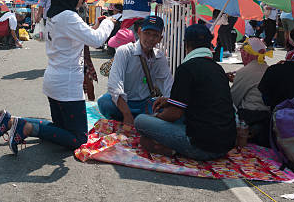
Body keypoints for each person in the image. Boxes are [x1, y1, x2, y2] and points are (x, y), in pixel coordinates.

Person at [0, 0, 114, 154]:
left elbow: (79, 35)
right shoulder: (68, 16)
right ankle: (26, 128)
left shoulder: (55, 15)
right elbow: (96, 40)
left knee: (60, 129)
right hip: (67, 85)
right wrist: (108, 23)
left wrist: (95, 25)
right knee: (78, 138)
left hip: (55, 82)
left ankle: (9, 122)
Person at [134, 24, 236, 160]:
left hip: (201, 146)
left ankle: (171, 148)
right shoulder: (218, 69)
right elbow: (201, 99)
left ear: (186, 44)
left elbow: (174, 114)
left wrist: (155, 120)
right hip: (225, 145)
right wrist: (169, 101)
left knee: (141, 121)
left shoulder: (187, 69)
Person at [97, 15, 173, 124]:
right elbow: (114, 85)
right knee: (104, 102)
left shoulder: (159, 57)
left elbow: (168, 85)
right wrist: (126, 113)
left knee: (168, 109)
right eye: (147, 33)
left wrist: (167, 100)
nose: (151, 39)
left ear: (160, 38)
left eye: (155, 35)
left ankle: (139, 119)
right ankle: (133, 118)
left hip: (145, 104)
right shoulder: (125, 51)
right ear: (139, 32)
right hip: (124, 103)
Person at [229, 38, 273, 147]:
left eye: (242, 53)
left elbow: (233, 100)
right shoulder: (269, 69)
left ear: (246, 54)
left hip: (250, 119)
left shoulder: (244, 72)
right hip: (268, 119)